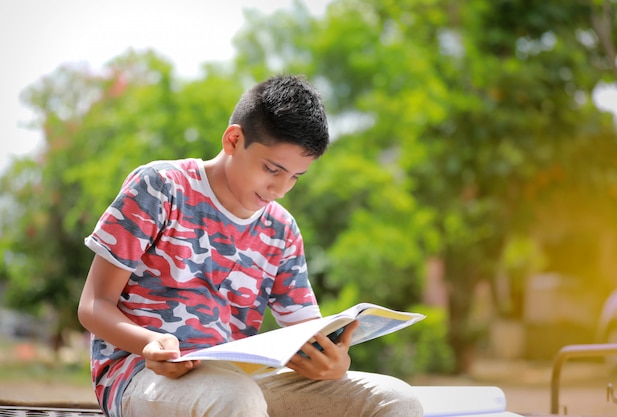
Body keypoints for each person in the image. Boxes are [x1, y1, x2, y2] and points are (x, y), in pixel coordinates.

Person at [78, 74, 423, 417]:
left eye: (295, 177)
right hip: (143, 374)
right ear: (233, 139)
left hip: (240, 382)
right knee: (235, 397)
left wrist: (335, 361)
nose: (281, 188)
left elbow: (308, 331)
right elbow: (94, 304)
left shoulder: (282, 229)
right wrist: (149, 344)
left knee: (395, 398)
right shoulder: (160, 188)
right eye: (272, 169)